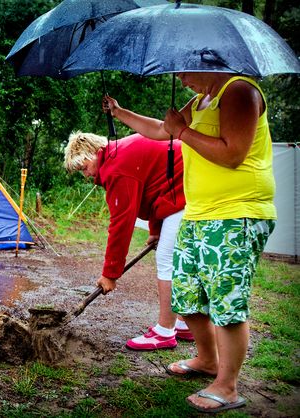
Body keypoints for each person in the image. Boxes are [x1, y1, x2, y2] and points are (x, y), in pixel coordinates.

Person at [103, 72, 276, 413]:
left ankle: (227, 386)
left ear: (206, 60)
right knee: (186, 292)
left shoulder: (239, 91)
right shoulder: (200, 101)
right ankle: (208, 361)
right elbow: (159, 130)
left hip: (236, 213)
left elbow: (233, 154)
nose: (181, 80)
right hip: (197, 213)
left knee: (227, 302)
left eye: (183, 72)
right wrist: (120, 112)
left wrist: (182, 131)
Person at [63, 131, 193, 350]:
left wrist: (110, 274)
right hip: (181, 187)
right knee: (180, 261)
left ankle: (164, 331)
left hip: (189, 186)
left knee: (167, 260)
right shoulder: (117, 155)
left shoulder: (116, 167)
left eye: (84, 168)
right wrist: (156, 228)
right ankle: (185, 324)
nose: (85, 175)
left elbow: (122, 223)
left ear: (94, 153)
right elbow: (155, 185)